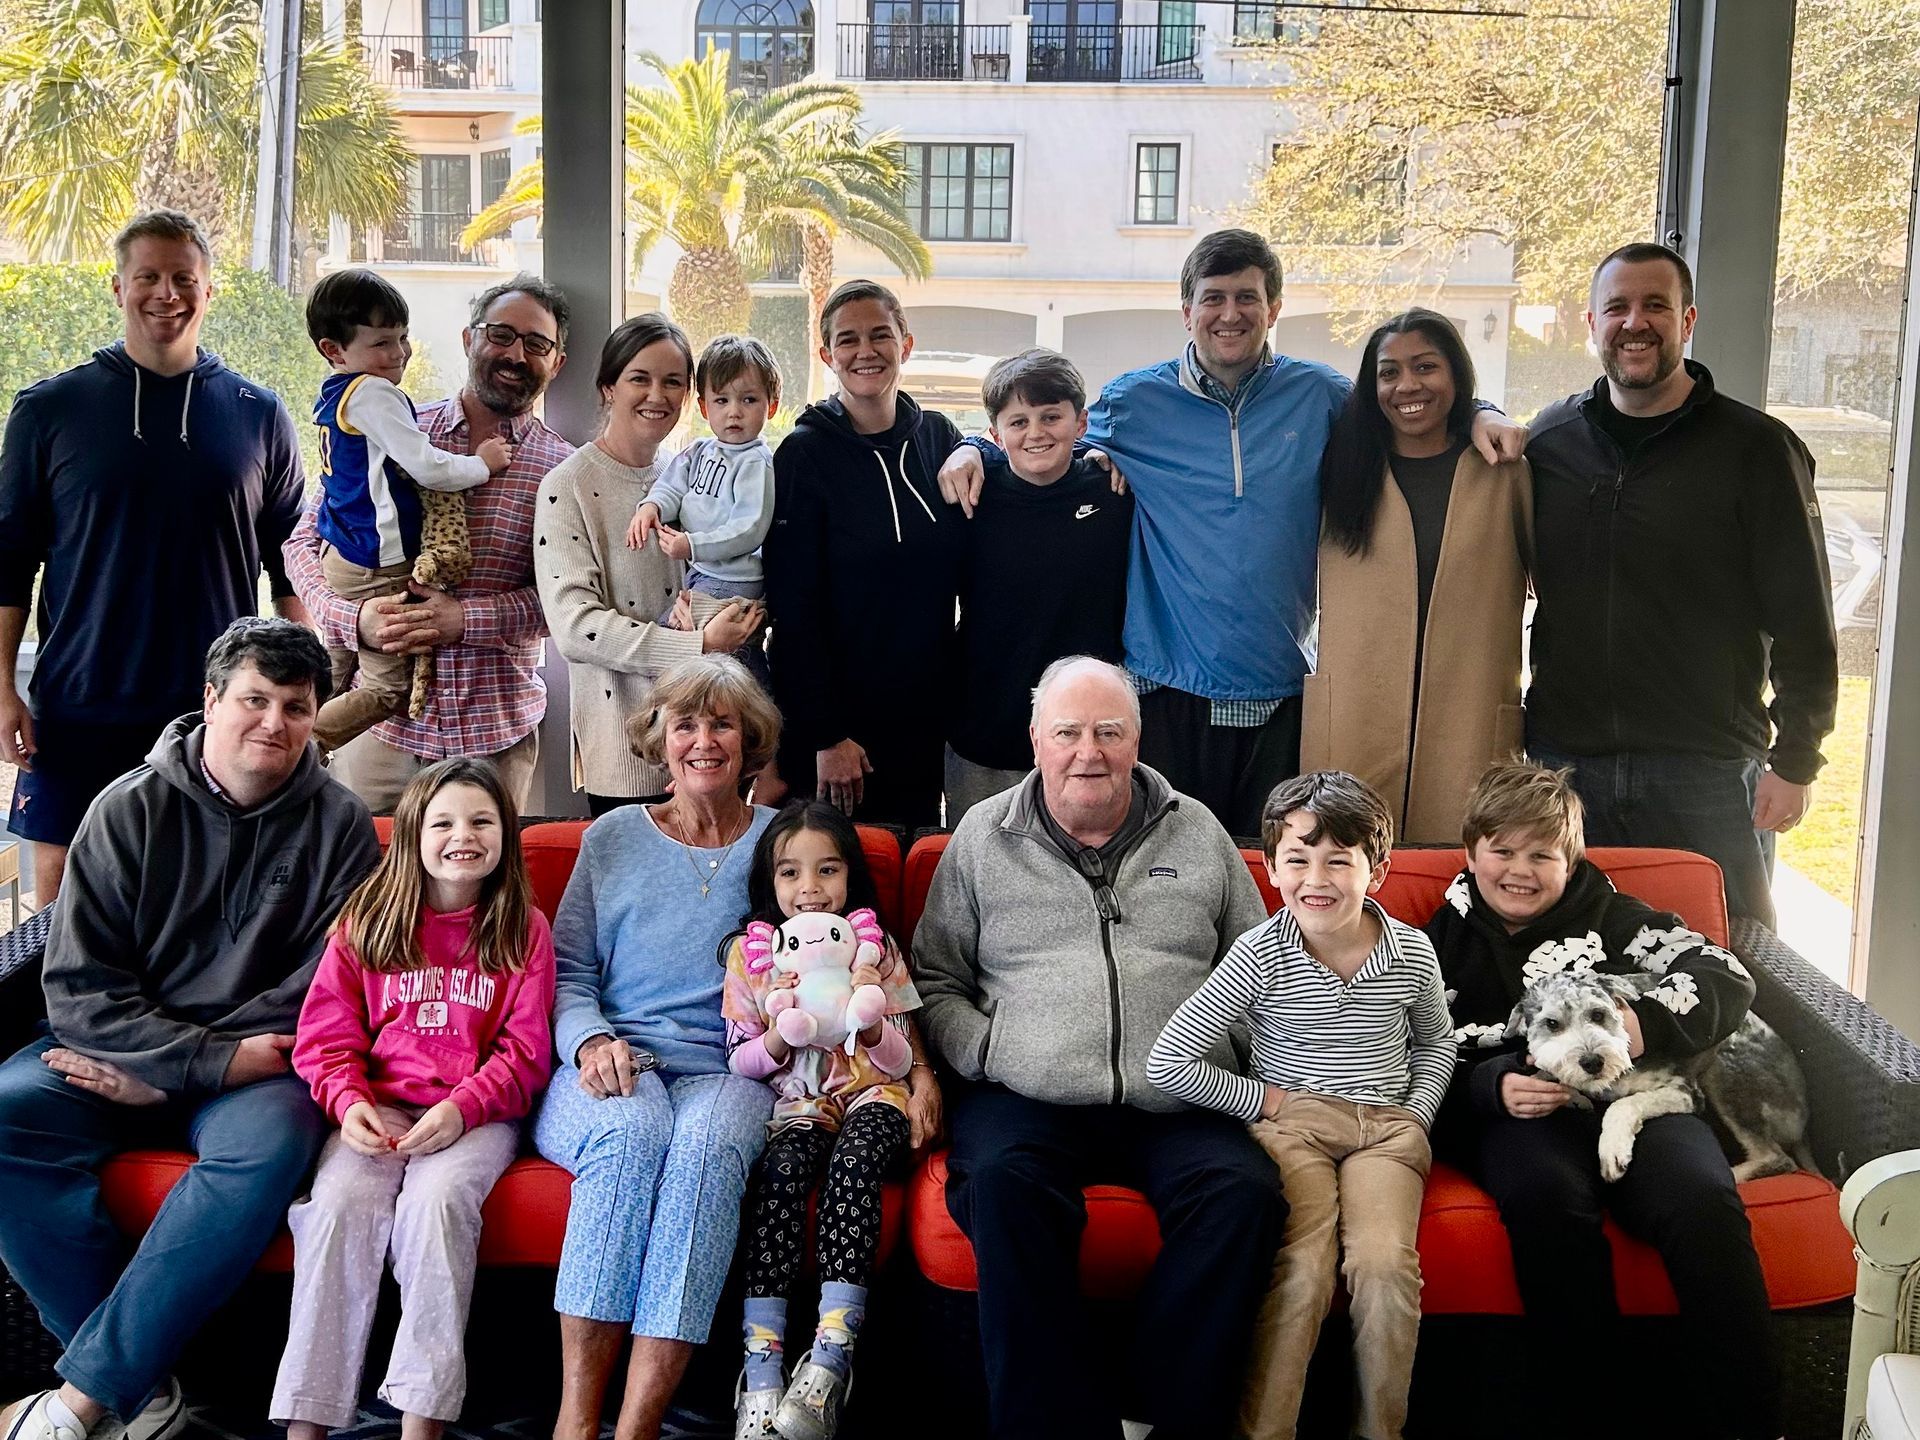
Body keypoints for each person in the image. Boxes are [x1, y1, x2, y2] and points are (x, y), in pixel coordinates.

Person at [938, 229, 1526, 838]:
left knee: (1268, 873)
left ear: (1273, 308)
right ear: (1187, 311)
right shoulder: (1136, 402)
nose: (1229, 313)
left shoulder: (1320, 395)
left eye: (1246, 297)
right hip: (1165, 690)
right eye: (1213, 298)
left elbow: (1406, 407)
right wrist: (969, 448)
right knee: (1164, 870)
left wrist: (1484, 411)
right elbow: (1040, 439)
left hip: (1280, 687)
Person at [0, 619, 381, 1440]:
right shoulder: (124, 810)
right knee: (5, 1112)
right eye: (254, 700)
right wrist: (179, 1063)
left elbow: (324, 989)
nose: (273, 724)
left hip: (258, 1069)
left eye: (295, 706)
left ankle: (87, 1397)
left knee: (274, 1145)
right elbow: (76, 985)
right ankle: (135, 1379)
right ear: (211, 700)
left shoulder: (343, 826)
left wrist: (192, 1070)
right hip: (121, 1054)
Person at [912, 655, 1285, 1440]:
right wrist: (987, 1048)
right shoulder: (984, 836)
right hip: (1026, 1094)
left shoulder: (1199, 829)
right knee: (1004, 1190)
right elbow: (934, 978)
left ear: (1138, 739)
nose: (1090, 751)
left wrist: (1232, 1052)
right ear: (1036, 741)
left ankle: (1150, 1411)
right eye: (1069, 733)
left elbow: (1262, 966)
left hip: (1180, 1096)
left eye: (1109, 732)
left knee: (1243, 1194)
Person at [1425, 760, 1779, 1440]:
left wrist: (1645, 1023)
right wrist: (1489, 1086)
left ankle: (1746, 1416)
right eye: (1500, 851)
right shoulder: (1438, 942)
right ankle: (1583, 1414)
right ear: (1471, 855)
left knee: (1699, 1197)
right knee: (1543, 1198)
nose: (1519, 870)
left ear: (1571, 859)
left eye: (1542, 855)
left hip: (1644, 1096)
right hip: (1528, 1117)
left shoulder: (1620, 918)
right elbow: (1412, 1047)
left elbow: (1724, 975)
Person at [1524, 242, 1838, 928]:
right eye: (1618, 307)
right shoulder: (1550, 444)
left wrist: (1797, 760)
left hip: (1707, 770)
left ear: (1687, 319)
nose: (1635, 322)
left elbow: (1805, 620)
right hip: (1566, 767)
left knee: (1729, 964)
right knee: (1573, 964)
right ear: (1591, 323)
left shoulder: (1757, 450)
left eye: (1655, 306)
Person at [0, 209, 308, 906]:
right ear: (117, 289)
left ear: (208, 291)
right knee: (61, 895)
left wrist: (307, 690)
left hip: (215, 712)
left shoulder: (258, 414)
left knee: (205, 895)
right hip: (79, 703)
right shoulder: (50, 410)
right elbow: (8, 561)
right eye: (148, 277)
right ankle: (59, 1022)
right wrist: (0, 691)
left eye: (182, 278)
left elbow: (293, 565)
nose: (165, 293)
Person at [1148, 771, 1452, 1440]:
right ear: (1271, 868)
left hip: (1386, 1134)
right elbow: (1170, 1060)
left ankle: (1380, 1430)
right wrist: (1267, 1100)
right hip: (1296, 1130)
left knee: (1383, 1267)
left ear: (1377, 871)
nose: (1318, 877)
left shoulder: (1413, 954)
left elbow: (1436, 1045)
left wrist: (1418, 1115)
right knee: (1302, 1271)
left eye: (1339, 861)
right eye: (1299, 858)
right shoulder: (1259, 954)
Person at [533, 656, 782, 1440]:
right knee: (631, 1132)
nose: (703, 741)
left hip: (731, 1070)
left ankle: (638, 1426)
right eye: (686, 724)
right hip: (614, 1063)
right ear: (659, 739)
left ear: (750, 741)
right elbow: (568, 975)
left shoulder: (786, 843)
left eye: (722, 724)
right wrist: (593, 1040)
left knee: (706, 1148)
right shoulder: (609, 838)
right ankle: (577, 1425)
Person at [271, 758, 554, 1440]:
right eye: (445, 822)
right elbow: (324, 1037)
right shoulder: (369, 920)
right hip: (378, 1111)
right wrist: (346, 1102)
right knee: (337, 1207)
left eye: (482, 821)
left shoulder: (523, 928)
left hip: (473, 1116)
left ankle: (419, 1424)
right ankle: (308, 1420)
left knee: (436, 1205)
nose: (465, 835)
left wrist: (464, 1107)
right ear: (412, 835)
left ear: (506, 835)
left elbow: (525, 1054)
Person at [286, 272, 574, 815]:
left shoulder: (564, 471)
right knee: (360, 891)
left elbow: (566, 603)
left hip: (492, 739)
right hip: (379, 739)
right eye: (501, 334)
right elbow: (304, 541)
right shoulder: (396, 426)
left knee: (478, 897)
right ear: (469, 339)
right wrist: (356, 619)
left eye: (536, 344)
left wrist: (466, 619)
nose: (515, 354)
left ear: (555, 363)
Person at [721, 801, 935, 1440]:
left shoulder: (876, 951)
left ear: (850, 880)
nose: (810, 889)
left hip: (877, 1097)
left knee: (856, 1163)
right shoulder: (749, 958)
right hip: (798, 1107)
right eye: (790, 873)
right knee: (781, 1177)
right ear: (770, 883)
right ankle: (761, 1367)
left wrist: (870, 1027)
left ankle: (832, 1356)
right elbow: (742, 1062)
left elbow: (899, 1057)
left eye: (827, 870)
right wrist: (780, 1044)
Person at [1304, 310, 1532, 843]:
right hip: (1353, 715)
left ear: (1456, 375)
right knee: (1347, 867)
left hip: (1469, 716)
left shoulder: (1504, 469)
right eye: (1389, 372)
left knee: (1459, 878)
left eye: (1426, 367)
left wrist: (1483, 412)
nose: (1407, 385)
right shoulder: (1339, 467)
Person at [537, 316, 763, 815]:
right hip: (628, 750)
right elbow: (576, 628)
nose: (656, 395)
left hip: (711, 744)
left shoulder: (684, 473)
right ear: (607, 388)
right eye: (640, 378)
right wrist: (697, 643)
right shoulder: (567, 485)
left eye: (673, 382)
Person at [761, 279, 965, 829]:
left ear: (907, 343)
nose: (865, 351)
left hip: (922, 722)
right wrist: (825, 734)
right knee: (836, 885)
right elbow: (793, 609)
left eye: (880, 335)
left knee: (906, 875)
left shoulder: (940, 438)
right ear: (827, 355)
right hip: (840, 734)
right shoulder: (805, 454)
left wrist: (1095, 460)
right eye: (847, 340)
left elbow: (1015, 455)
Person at [303, 269, 513, 753]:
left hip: (342, 553)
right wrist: (481, 464)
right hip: (377, 562)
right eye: (382, 343)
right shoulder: (374, 393)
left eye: (402, 338)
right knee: (386, 688)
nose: (398, 354)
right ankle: (295, 748)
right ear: (333, 349)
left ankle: (293, 722)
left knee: (331, 669)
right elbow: (428, 467)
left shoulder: (336, 395)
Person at [944, 348, 1132, 825]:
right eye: (1019, 421)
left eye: (1051, 416)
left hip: (1087, 737)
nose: (1036, 433)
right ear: (995, 431)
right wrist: (970, 448)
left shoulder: (1110, 492)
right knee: (983, 863)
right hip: (986, 725)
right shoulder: (973, 499)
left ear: (1081, 422)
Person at [628, 334, 780, 686]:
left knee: (698, 648)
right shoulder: (698, 451)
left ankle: (764, 712)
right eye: (722, 400)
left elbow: (750, 528)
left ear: (770, 406)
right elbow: (670, 485)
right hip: (700, 573)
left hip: (733, 579)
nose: (734, 411)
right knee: (710, 653)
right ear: (704, 407)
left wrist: (691, 546)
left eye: (749, 399)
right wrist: (651, 506)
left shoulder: (756, 463)